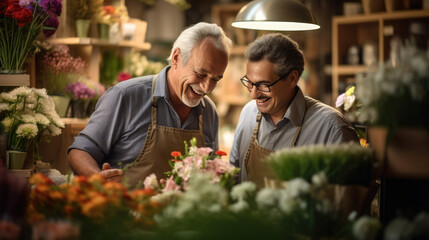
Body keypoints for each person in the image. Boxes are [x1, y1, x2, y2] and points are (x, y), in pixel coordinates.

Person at [68, 22, 232, 188]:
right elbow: (80, 151)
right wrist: (98, 178)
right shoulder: (125, 96)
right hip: (124, 210)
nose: (206, 87)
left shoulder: (208, 111)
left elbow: (210, 176)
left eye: (216, 79)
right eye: (200, 74)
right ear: (176, 57)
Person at [229, 33, 359, 188]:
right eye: (250, 83)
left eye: (264, 85)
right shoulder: (248, 114)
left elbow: (348, 204)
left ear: (292, 78)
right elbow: (233, 178)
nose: (253, 94)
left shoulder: (332, 129)